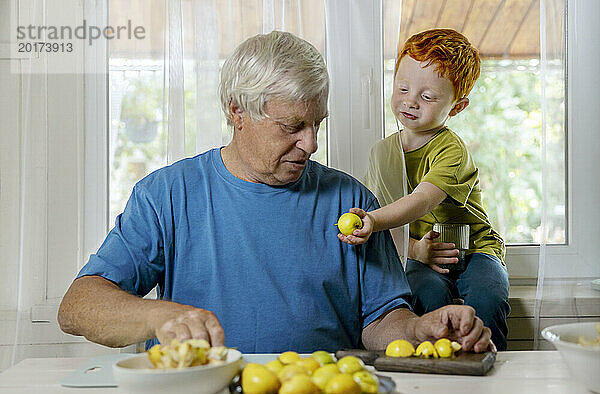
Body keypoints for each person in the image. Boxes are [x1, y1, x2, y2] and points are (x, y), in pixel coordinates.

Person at [58, 30, 493, 354]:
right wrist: (161, 315)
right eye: (292, 127)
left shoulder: (351, 202)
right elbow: (78, 306)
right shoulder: (167, 195)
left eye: (317, 124)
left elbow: (383, 320)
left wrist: (420, 330)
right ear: (237, 112)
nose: (311, 144)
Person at [338, 29, 510, 350]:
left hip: (475, 251)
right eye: (402, 88)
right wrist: (415, 249)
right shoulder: (382, 153)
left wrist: (373, 220)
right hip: (424, 254)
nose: (410, 101)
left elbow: (421, 201)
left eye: (428, 97)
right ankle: (438, 366)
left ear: (456, 108)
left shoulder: (451, 150)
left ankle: (488, 364)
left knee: (489, 299)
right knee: (424, 296)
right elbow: (392, 216)